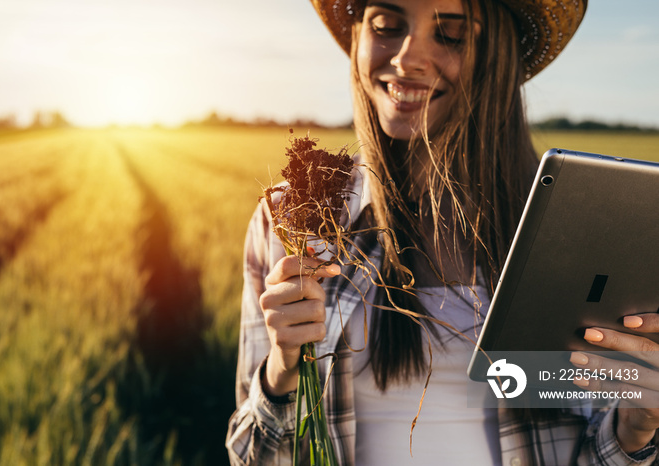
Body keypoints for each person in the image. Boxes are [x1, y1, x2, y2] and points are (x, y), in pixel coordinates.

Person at [226, 0, 659, 464]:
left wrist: (635, 431)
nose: (408, 57)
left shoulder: (578, 224)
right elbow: (250, 456)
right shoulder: (293, 217)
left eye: (450, 34)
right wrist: (282, 370)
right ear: (358, 38)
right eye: (387, 25)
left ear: (498, 55)